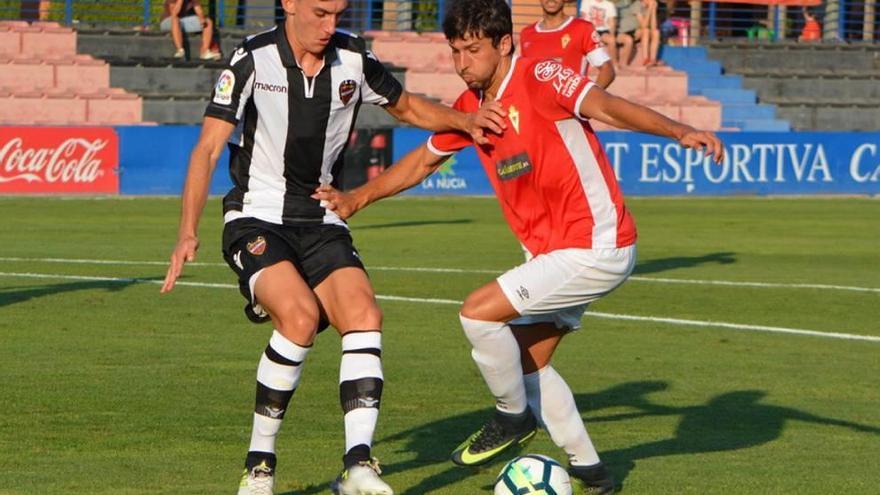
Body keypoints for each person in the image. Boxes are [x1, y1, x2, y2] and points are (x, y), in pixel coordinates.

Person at [312, 0, 724, 492]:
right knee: (528, 360)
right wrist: (357, 198)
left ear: (504, 43)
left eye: (473, 50)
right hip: (555, 256)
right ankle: (593, 471)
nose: (462, 62)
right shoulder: (471, 108)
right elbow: (423, 161)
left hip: (594, 244)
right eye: (455, 51)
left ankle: (512, 419)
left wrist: (679, 130)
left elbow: (608, 106)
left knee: (477, 314)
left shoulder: (544, 76)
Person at [159, 1, 505, 494]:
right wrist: (187, 232)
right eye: (320, 13)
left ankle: (358, 466)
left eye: (338, 14)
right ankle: (259, 468)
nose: (330, 25)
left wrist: (463, 121)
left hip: (321, 217)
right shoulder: (251, 59)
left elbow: (406, 106)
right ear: (290, 4)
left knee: (365, 314)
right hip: (257, 214)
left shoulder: (354, 59)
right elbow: (208, 148)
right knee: (299, 319)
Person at [520, 0, 615, 89]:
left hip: (568, 106)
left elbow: (607, 70)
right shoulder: (527, 34)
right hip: (535, 106)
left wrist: (585, 99)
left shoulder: (583, 28)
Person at [579, 0, 619, 66]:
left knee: (612, 40)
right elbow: (583, 18)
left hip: (602, 31)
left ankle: (614, 64)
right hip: (588, 30)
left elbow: (612, 22)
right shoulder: (586, 1)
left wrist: (612, 34)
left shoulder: (609, 4)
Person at [636, 0, 661, 66]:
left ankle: (653, 59)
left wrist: (653, 10)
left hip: (644, 31)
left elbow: (654, 27)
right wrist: (650, 8)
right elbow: (644, 25)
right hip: (633, 32)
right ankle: (646, 59)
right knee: (646, 30)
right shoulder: (637, 5)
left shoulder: (650, 5)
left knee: (656, 32)